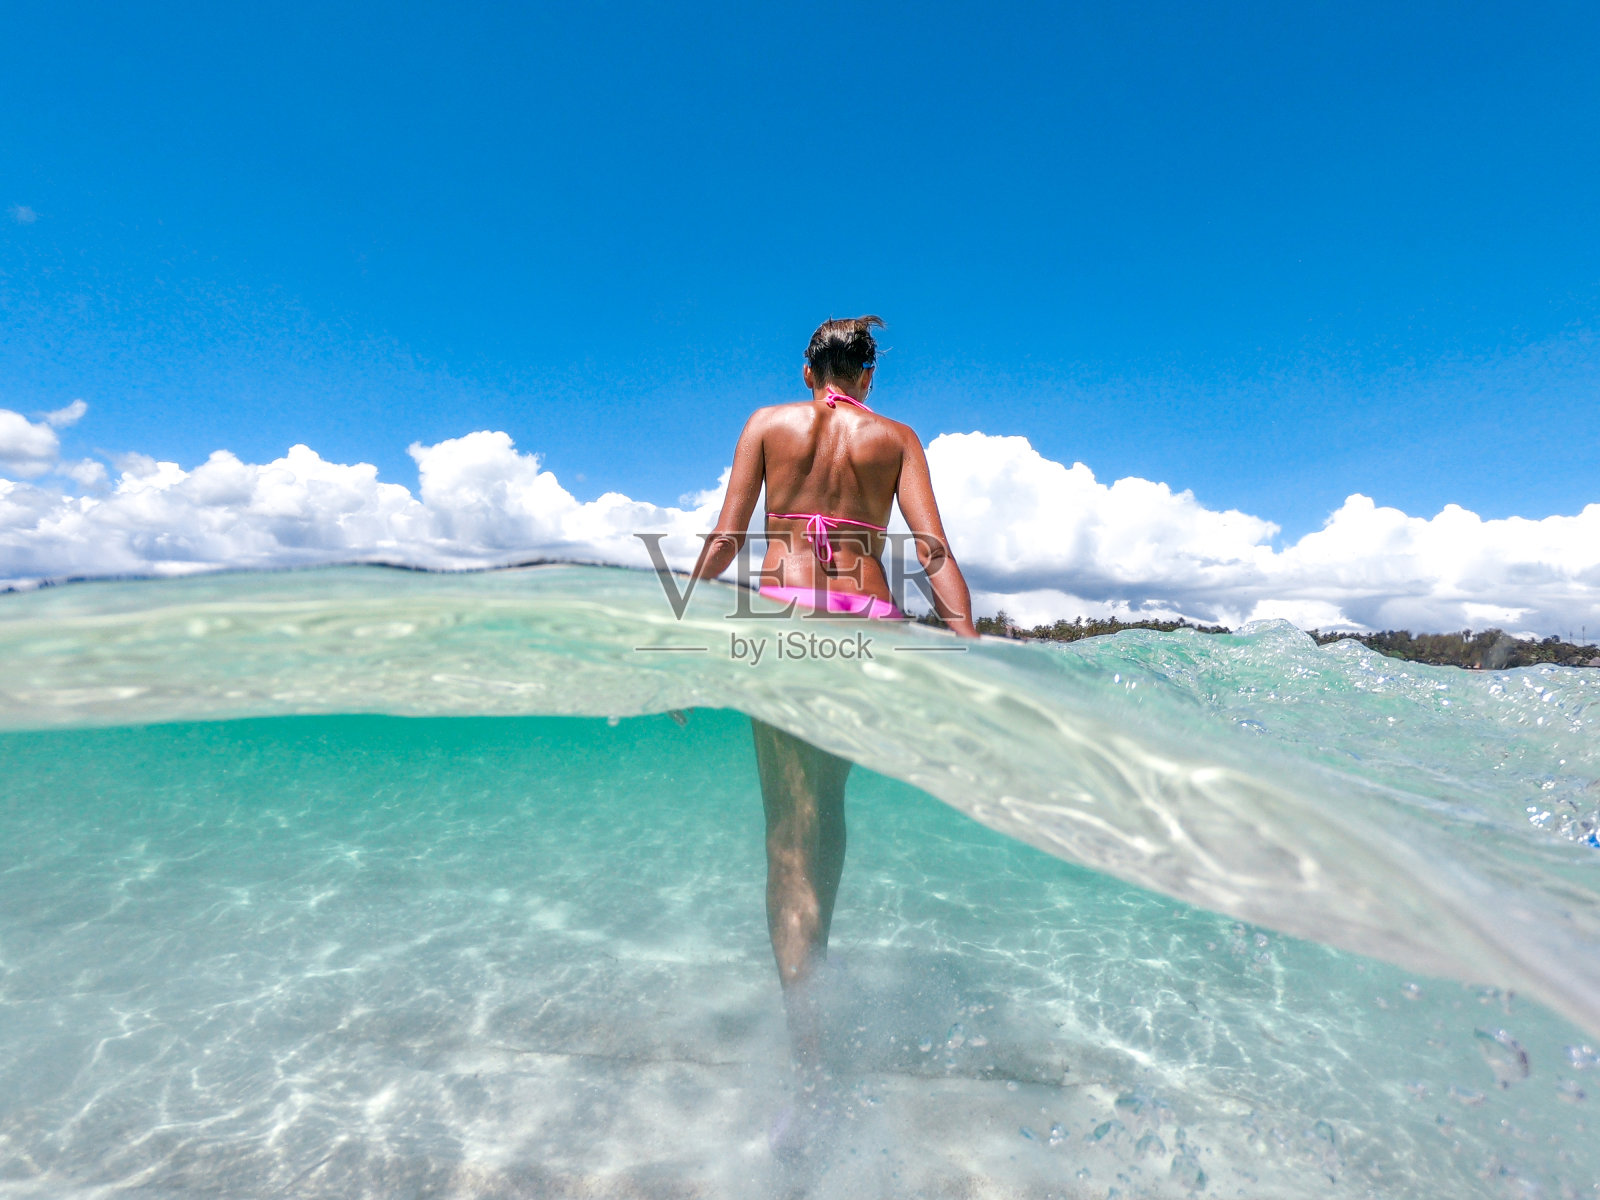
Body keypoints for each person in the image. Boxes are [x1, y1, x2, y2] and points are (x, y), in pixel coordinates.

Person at [689, 316, 978, 1082]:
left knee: (789, 830)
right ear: (869, 377)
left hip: (785, 626)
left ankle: (808, 1049)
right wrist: (967, 643)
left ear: (807, 371)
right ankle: (821, 970)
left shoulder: (767, 423)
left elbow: (724, 540)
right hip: (870, 629)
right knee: (827, 812)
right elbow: (932, 552)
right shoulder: (898, 438)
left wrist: (679, 628)